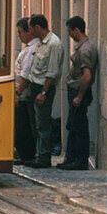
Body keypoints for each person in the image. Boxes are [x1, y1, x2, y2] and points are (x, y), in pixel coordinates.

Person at [59, 16, 98, 171]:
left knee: (79, 127)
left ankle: (80, 160)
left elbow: (87, 76)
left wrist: (79, 96)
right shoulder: (83, 47)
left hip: (79, 92)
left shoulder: (85, 49)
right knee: (73, 125)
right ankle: (72, 159)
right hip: (76, 91)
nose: (69, 34)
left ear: (76, 30)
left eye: (69, 31)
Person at [24, 14, 63, 168]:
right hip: (34, 87)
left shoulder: (54, 44)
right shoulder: (40, 43)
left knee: (43, 123)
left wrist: (44, 93)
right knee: (36, 123)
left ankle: (44, 157)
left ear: (38, 27)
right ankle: (38, 154)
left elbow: (52, 72)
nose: (30, 31)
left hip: (43, 88)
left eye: (31, 28)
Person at [13, 17, 38, 165]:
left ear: (29, 32)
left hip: (25, 94)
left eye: (20, 32)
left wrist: (18, 93)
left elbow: (26, 74)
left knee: (24, 125)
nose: (18, 35)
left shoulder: (31, 50)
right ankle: (24, 154)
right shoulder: (28, 48)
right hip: (23, 93)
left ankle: (26, 154)